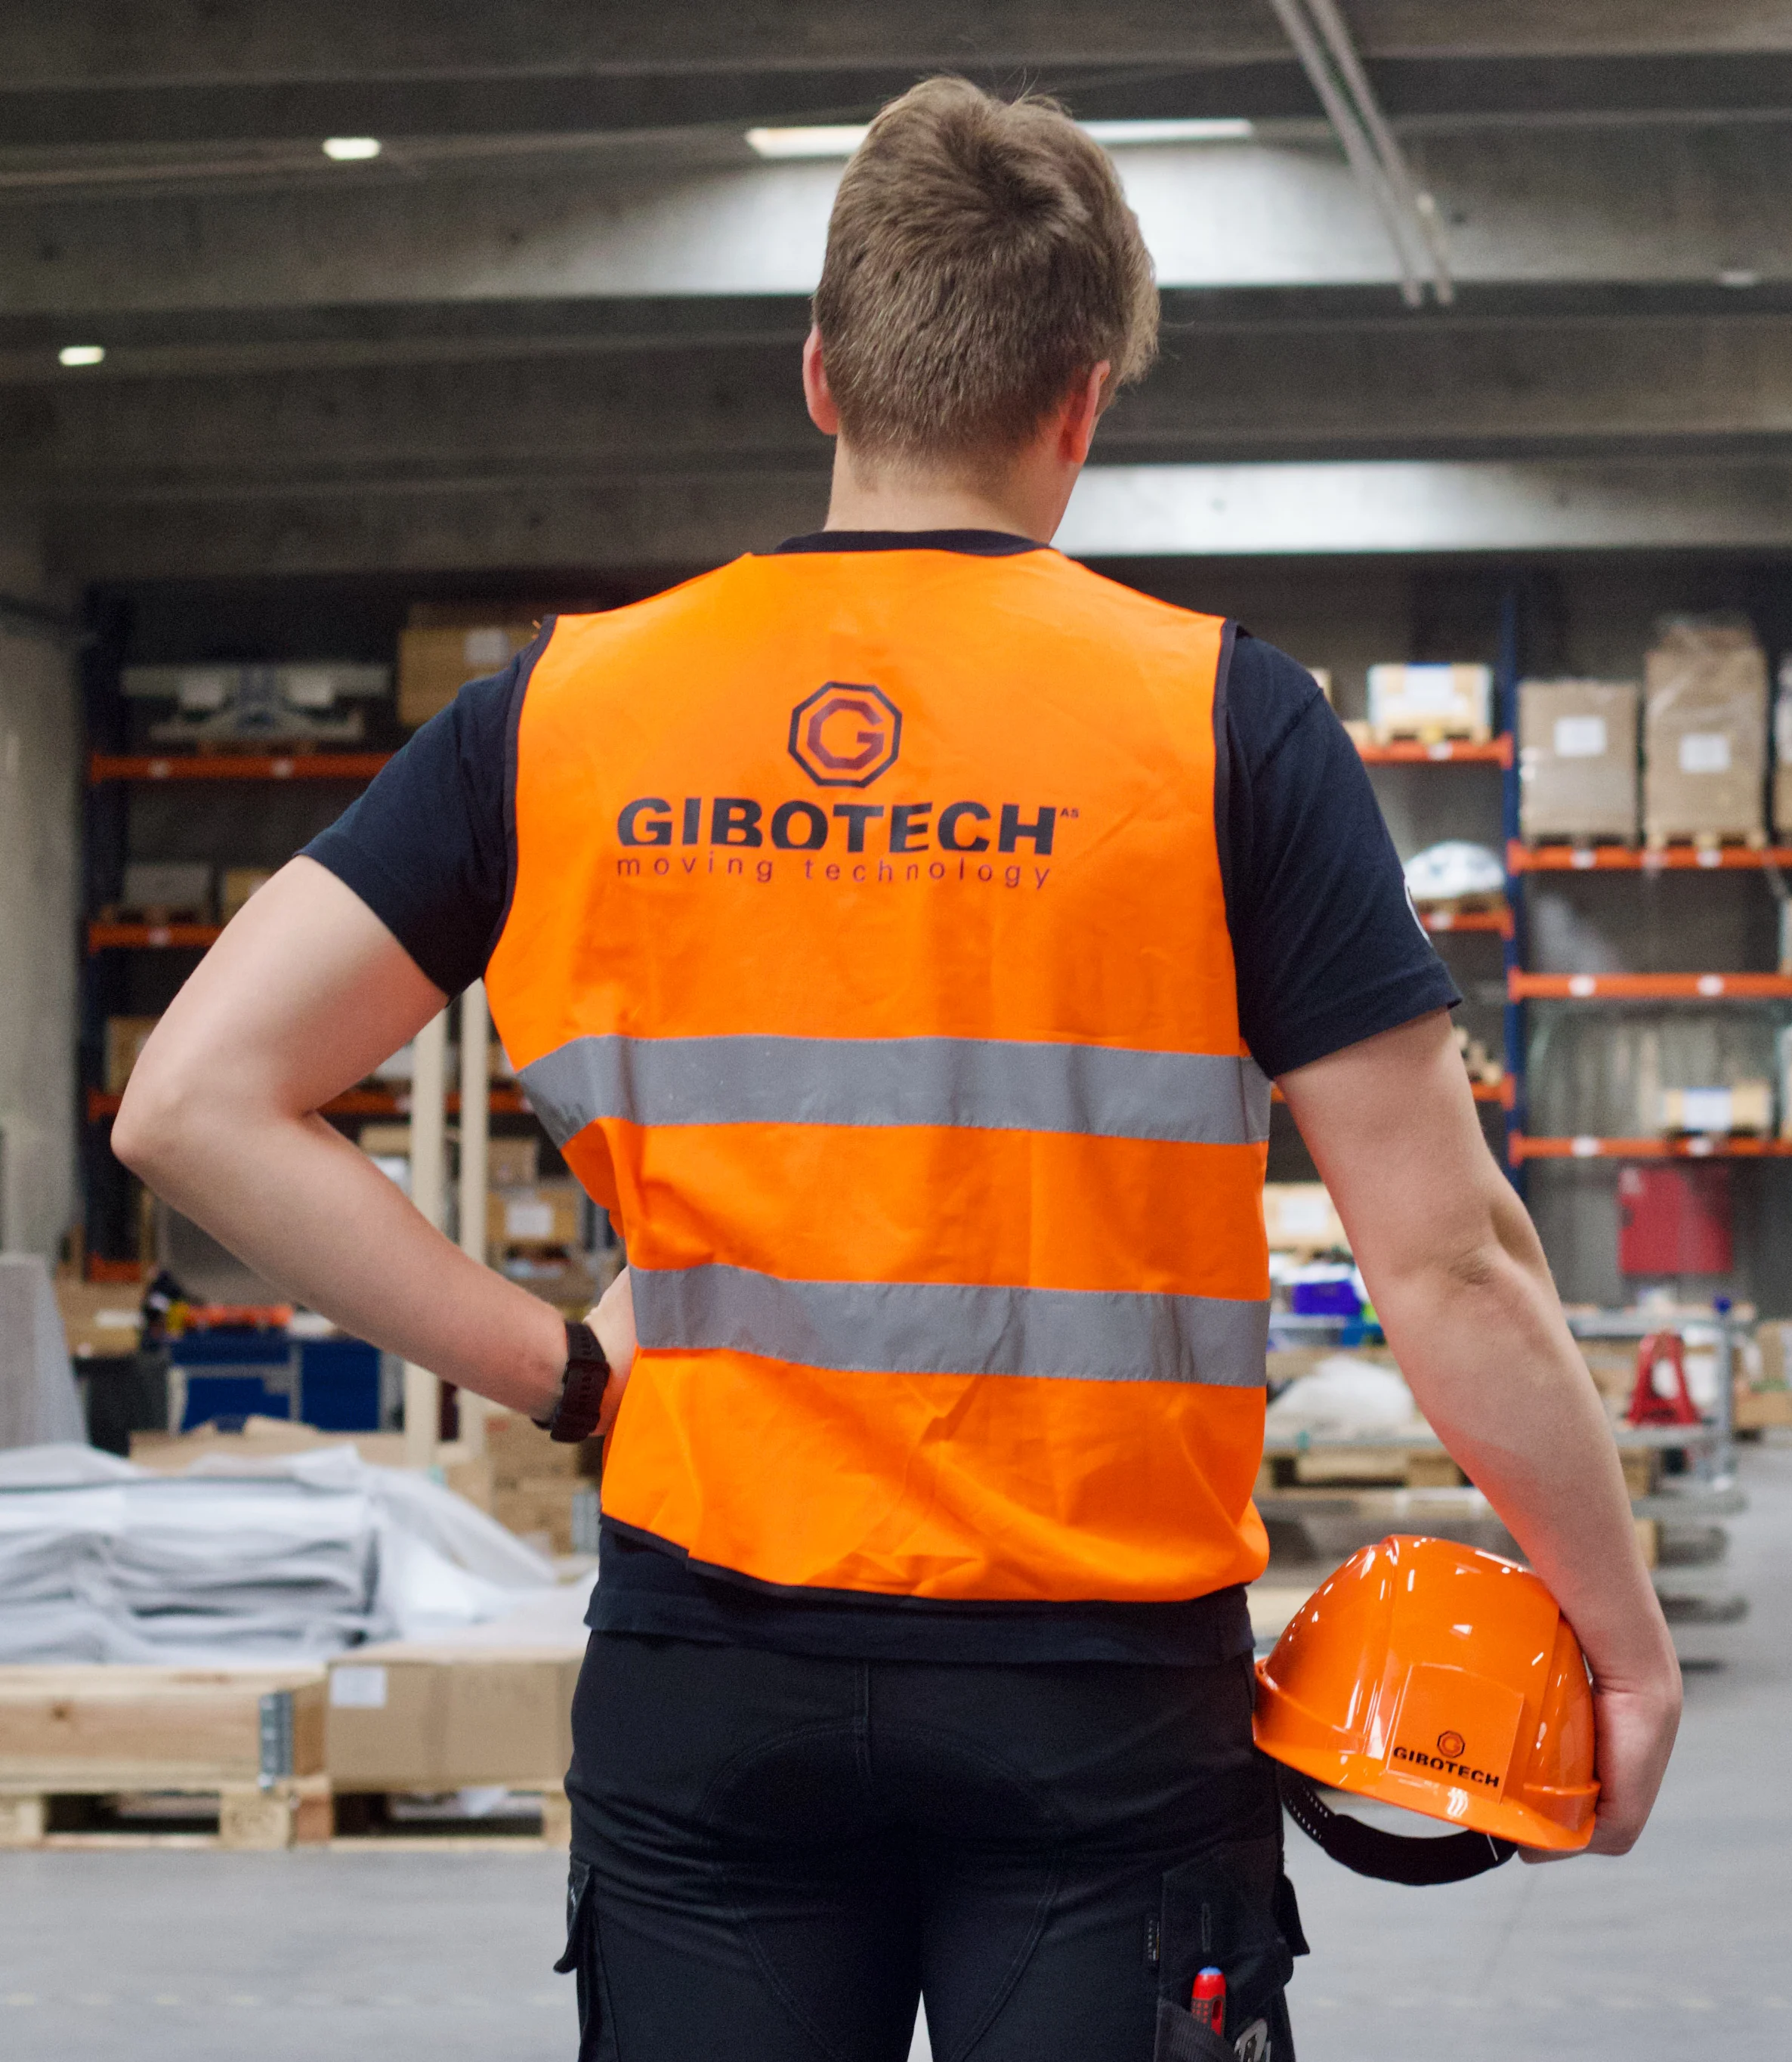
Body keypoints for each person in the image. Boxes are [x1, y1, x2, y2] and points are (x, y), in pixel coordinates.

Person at [115, 77, 1678, 2061]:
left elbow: (194, 1107)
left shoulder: (569, 714)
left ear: (822, 376)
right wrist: (1614, 1641)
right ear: (1083, 401)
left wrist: (556, 1369)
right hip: (1097, 1705)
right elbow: (1450, 1267)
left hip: (714, 1671)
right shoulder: (1223, 732)